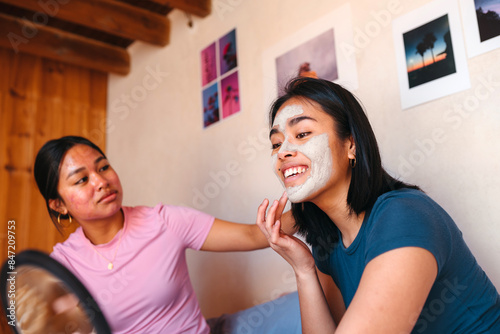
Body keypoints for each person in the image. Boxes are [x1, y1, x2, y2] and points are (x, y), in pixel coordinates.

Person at [256, 77, 500, 333]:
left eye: (302, 134)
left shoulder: (404, 216)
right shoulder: (327, 243)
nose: (283, 152)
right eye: (276, 144)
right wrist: (303, 269)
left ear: (351, 144)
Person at [32, 135, 297, 334]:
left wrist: (317, 204)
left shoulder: (165, 221)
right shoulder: (59, 267)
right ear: (59, 204)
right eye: (81, 180)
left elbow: (253, 235)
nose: (101, 181)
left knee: (299, 308)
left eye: (103, 167)